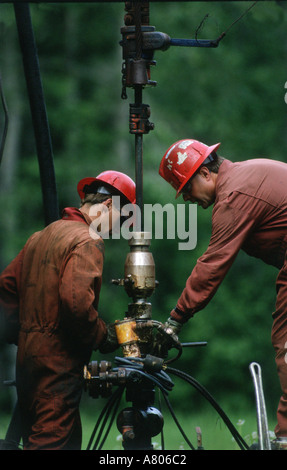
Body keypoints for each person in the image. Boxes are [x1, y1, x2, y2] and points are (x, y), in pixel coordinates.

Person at [158, 138, 287, 444]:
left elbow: (213, 265)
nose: (187, 199)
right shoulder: (246, 175)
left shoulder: (233, 196)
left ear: (204, 173)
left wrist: (175, 320)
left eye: (186, 189)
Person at [0, 170, 136, 450]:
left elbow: (6, 289)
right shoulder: (87, 240)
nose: (117, 228)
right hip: (57, 366)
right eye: (122, 219)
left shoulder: (41, 235)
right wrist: (103, 337)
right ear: (108, 206)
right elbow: (76, 305)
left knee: (65, 440)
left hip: (27, 363)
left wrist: (24, 334)